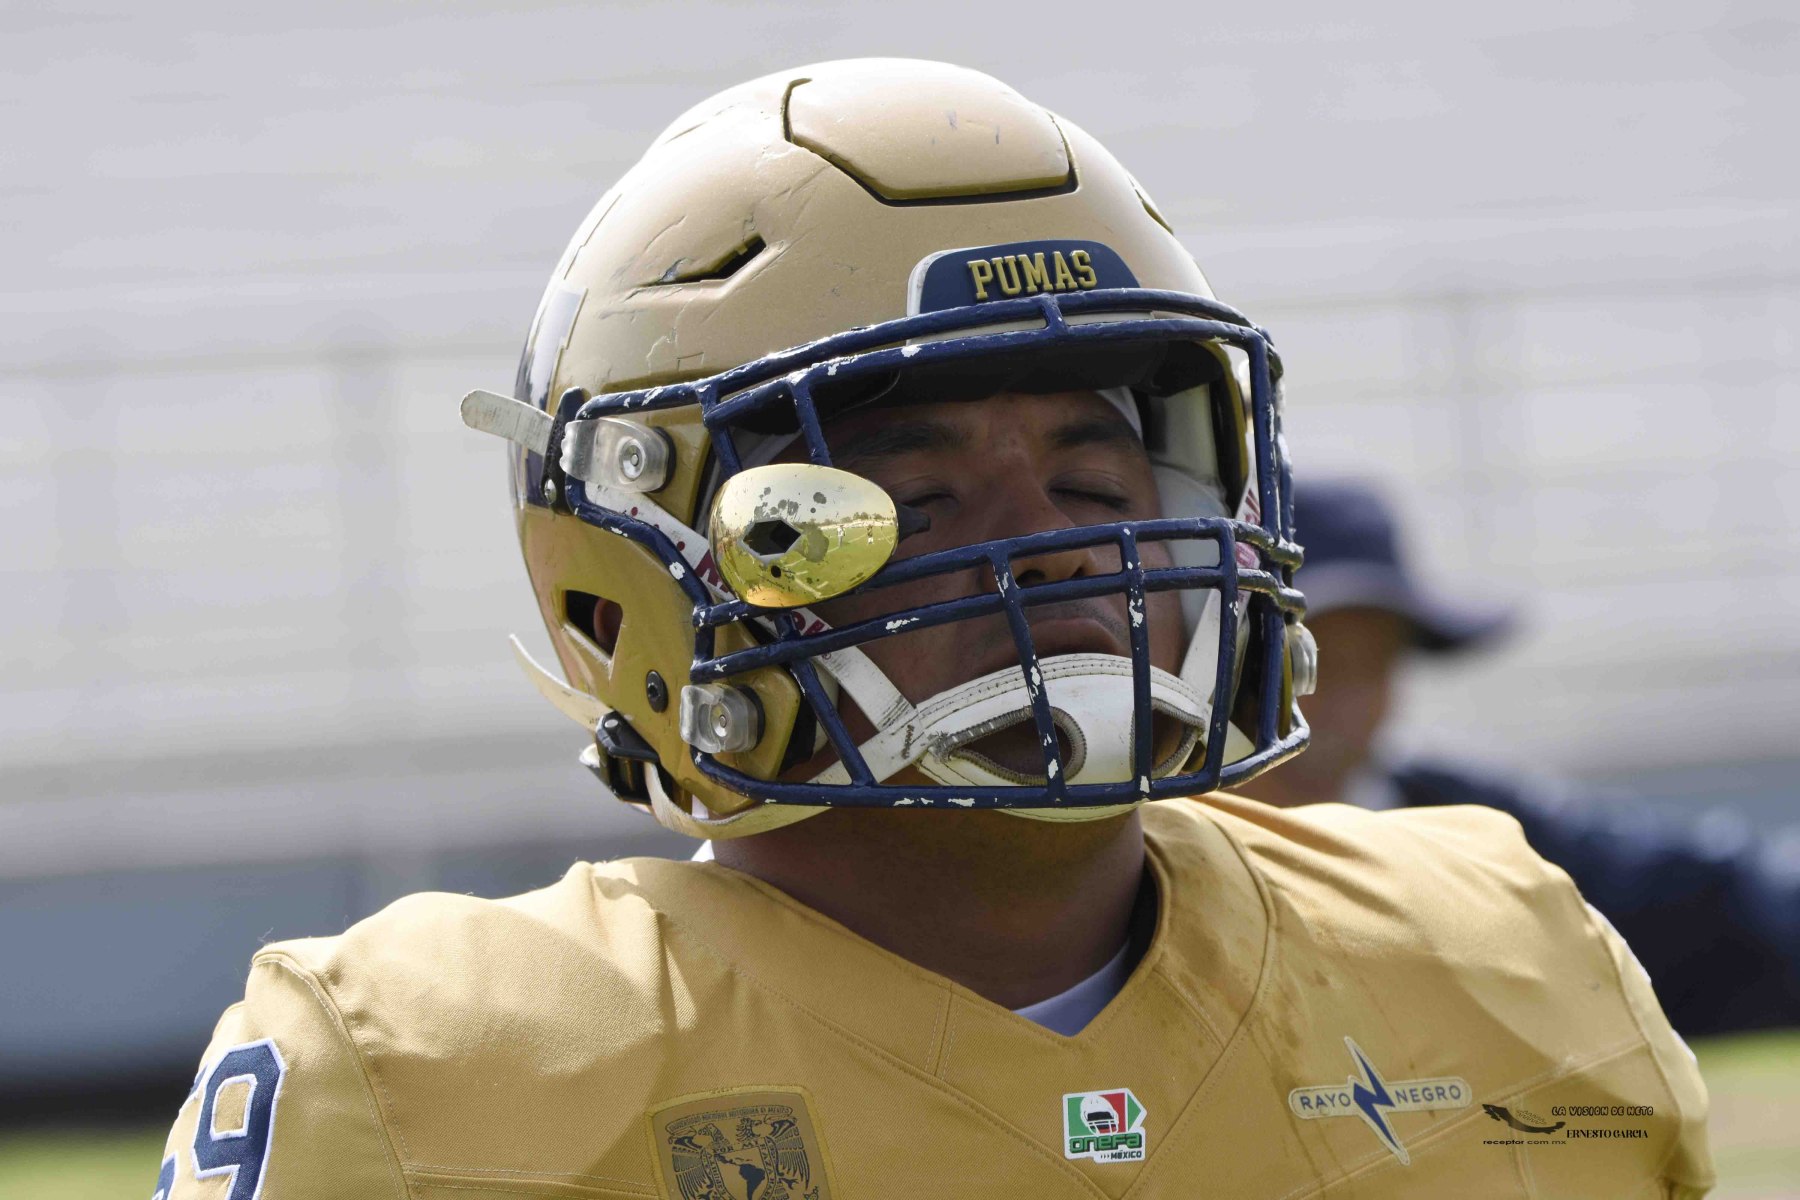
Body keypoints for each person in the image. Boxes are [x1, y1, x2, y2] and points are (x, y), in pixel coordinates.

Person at [155, 61, 1712, 1197]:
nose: (1055, 547)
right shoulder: (431, 1077)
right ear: (647, 566)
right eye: (906, 497)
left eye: (1095, 476)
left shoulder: (1501, 957)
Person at [1239, 477, 1800, 1036]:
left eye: (1373, 663)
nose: (1345, 702)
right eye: (1313, 660)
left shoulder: (1470, 829)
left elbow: (1702, 899)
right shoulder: (1188, 855)